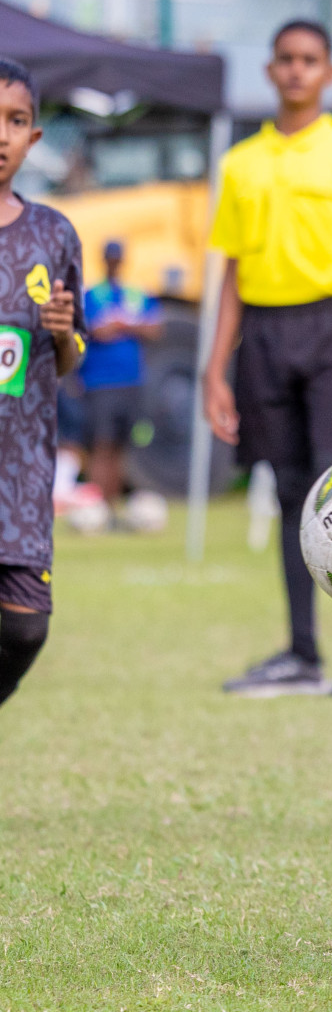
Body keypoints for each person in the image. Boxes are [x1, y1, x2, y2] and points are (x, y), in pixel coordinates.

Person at [201, 19, 332, 700]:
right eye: (285, 59)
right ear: (269, 70)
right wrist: (213, 367)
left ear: (328, 73)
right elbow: (228, 274)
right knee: (289, 493)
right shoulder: (239, 164)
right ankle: (300, 655)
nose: (295, 70)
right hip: (262, 334)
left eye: (309, 60)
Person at [0, 58, 86, 708]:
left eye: (16, 120)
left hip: (21, 472)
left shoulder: (53, 234)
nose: (1, 133)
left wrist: (59, 333)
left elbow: (74, 355)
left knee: (25, 627)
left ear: (34, 138)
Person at [79, 239, 163, 520]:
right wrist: (116, 326)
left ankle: (115, 504)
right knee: (101, 444)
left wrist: (124, 325)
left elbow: (154, 328)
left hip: (131, 380)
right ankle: (100, 507)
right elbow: (92, 330)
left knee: (124, 446)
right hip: (99, 382)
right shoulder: (92, 294)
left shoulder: (135, 293)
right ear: (104, 260)